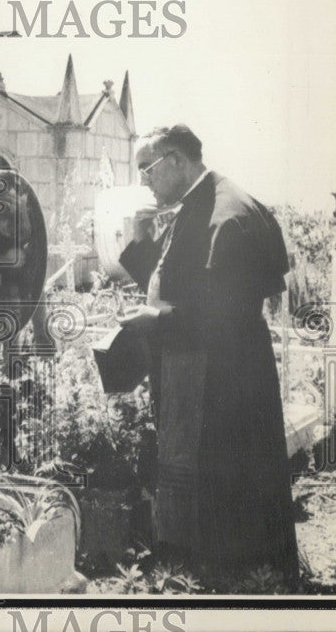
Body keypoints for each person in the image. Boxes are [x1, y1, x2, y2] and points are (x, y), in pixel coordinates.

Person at [117, 124, 299, 587]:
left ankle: (234, 585)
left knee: (227, 485)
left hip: (225, 379)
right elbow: (175, 283)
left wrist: (153, 322)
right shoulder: (198, 204)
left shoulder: (227, 214)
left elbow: (226, 317)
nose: (144, 181)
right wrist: (141, 239)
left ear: (177, 161)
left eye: (148, 169)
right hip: (210, 371)